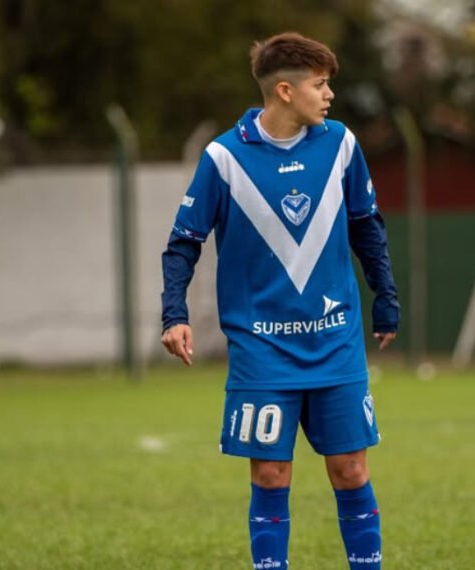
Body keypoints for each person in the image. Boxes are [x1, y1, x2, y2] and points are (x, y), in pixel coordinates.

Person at [160, 32, 399, 569]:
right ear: (286, 91)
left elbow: (368, 226)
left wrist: (385, 294)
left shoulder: (341, 144)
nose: (329, 95)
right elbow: (183, 243)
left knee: (351, 471)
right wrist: (174, 314)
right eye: (320, 85)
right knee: (271, 474)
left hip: (335, 339)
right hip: (262, 347)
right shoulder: (223, 157)